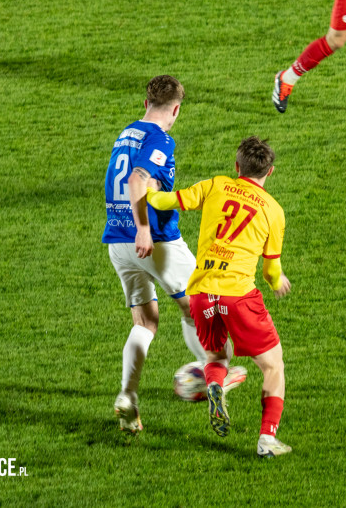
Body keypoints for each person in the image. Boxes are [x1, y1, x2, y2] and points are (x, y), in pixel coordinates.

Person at [103, 75, 245, 434]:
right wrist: (145, 228)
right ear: (177, 109)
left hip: (118, 243)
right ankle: (214, 373)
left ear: (145, 103)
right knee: (198, 305)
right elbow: (138, 180)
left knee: (146, 322)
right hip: (154, 242)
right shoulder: (160, 140)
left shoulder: (126, 133)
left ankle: (128, 398)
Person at [146, 136, 294, 458]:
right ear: (270, 172)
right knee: (273, 365)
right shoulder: (273, 211)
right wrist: (277, 281)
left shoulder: (216, 185)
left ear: (237, 166)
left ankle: (214, 383)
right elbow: (270, 271)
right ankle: (267, 440)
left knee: (216, 358)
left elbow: (166, 202)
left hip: (201, 294)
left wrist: (148, 189)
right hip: (239, 297)